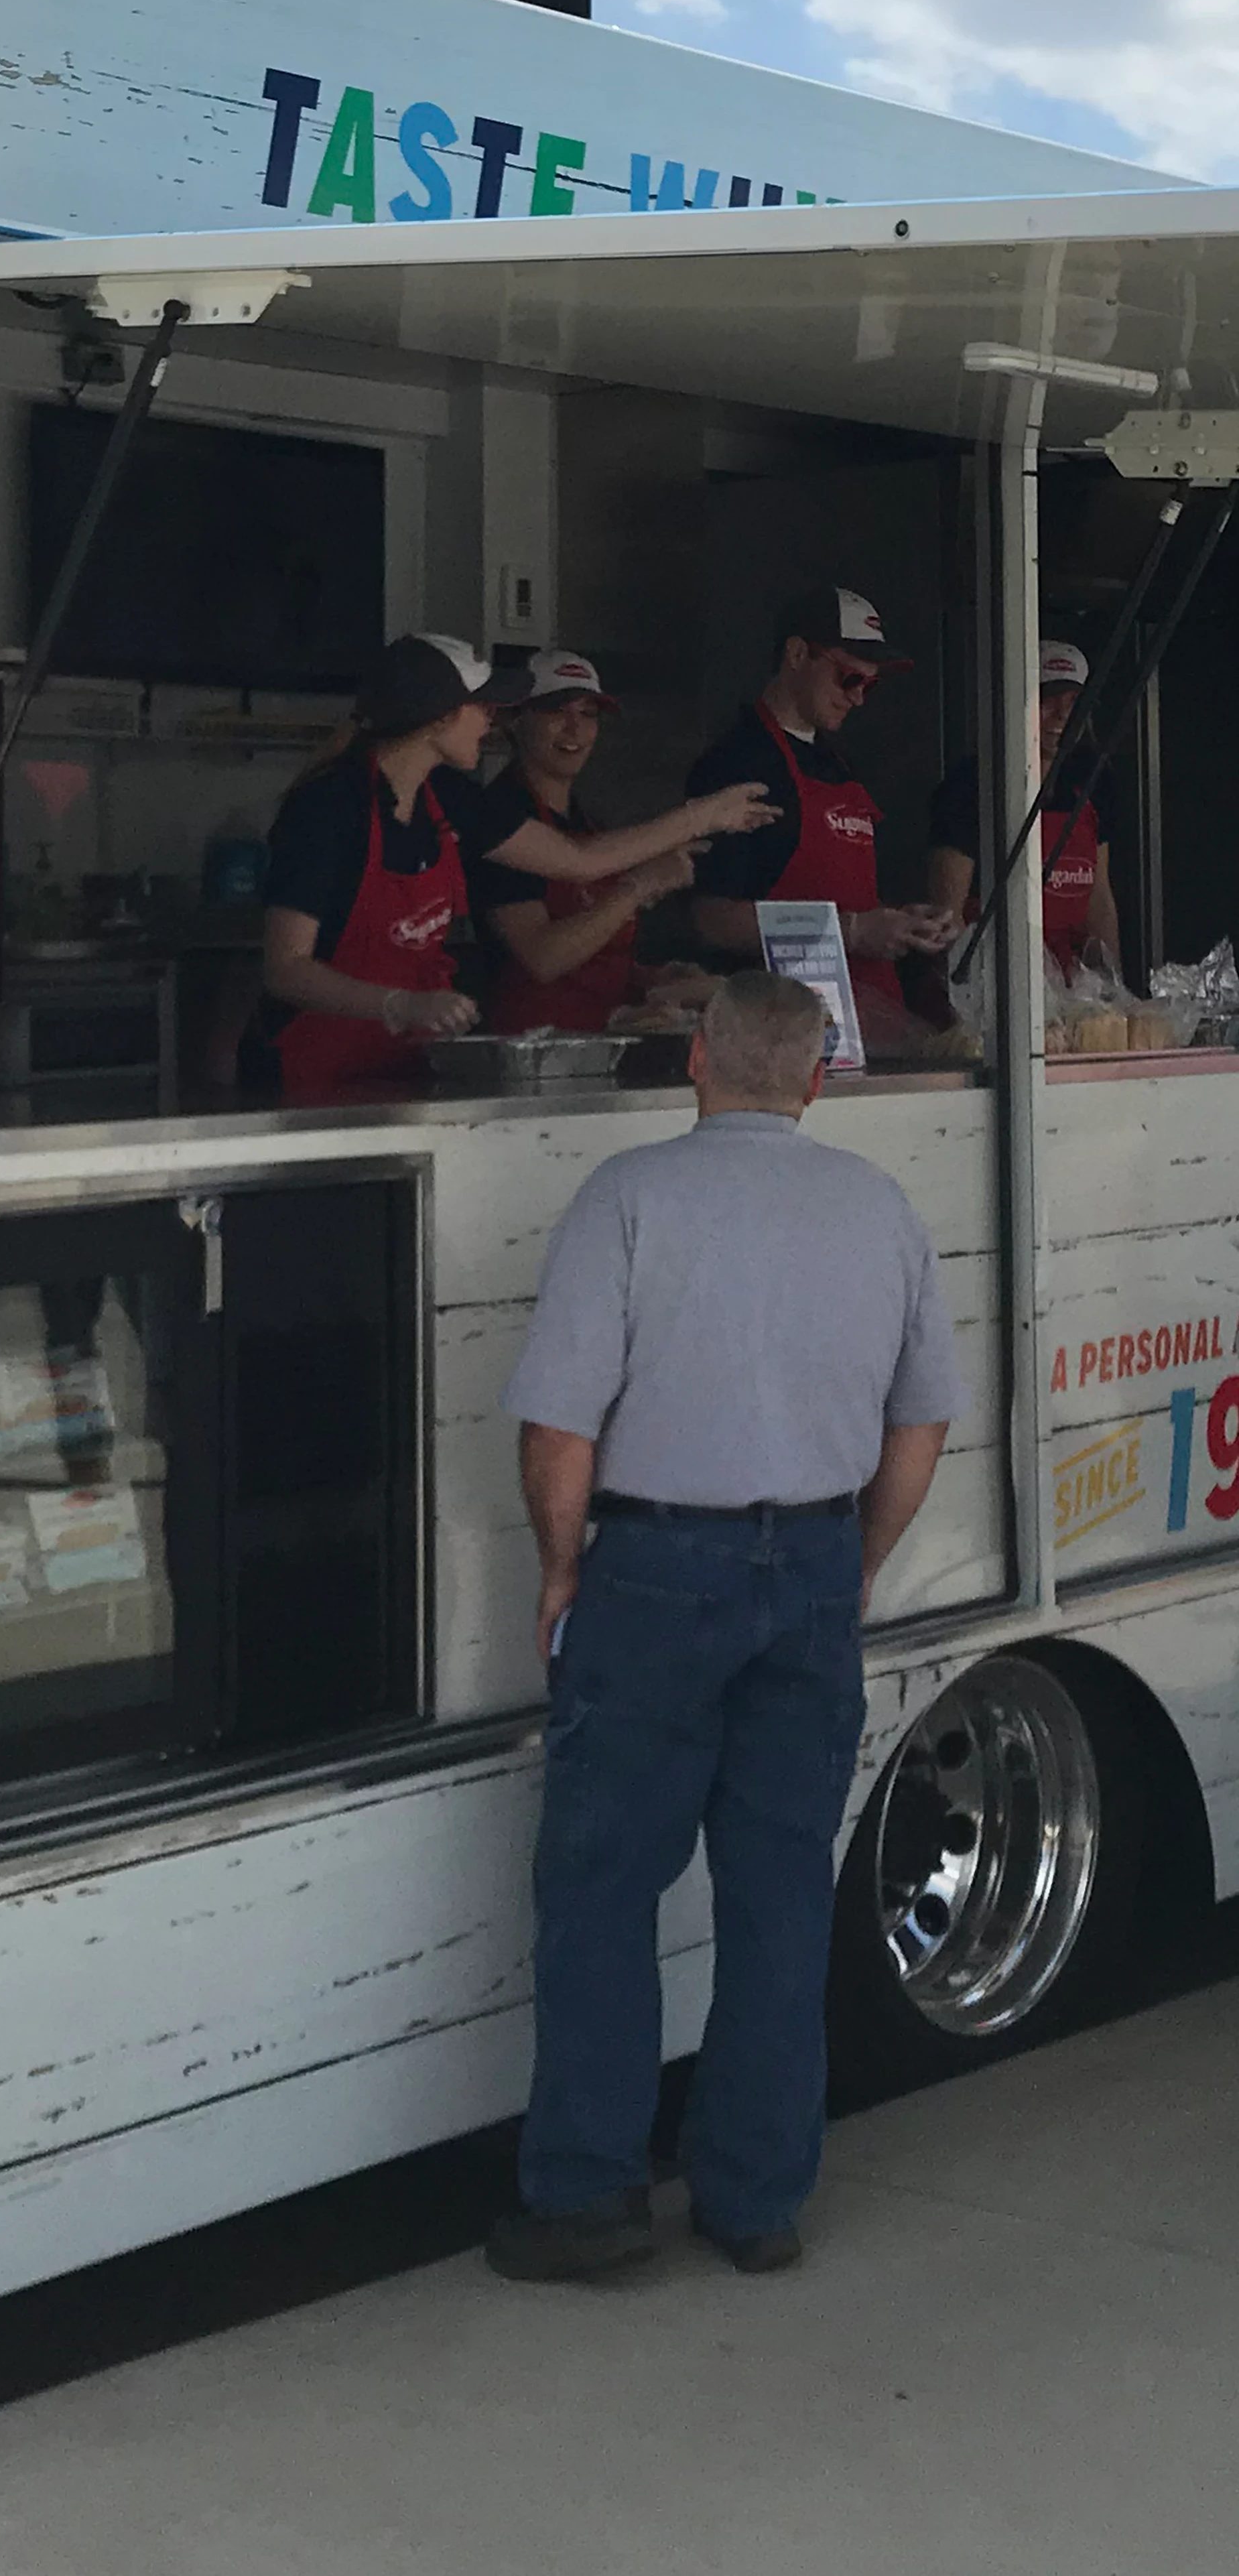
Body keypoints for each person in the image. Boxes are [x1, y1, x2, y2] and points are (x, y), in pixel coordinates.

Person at [484, 972, 962, 2284]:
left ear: (696, 1061)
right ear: (818, 1078)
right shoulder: (879, 1208)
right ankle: (755, 2202)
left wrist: (561, 1569)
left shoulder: (628, 1198)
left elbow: (560, 1428)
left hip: (654, 1571)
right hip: (811, 1567)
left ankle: (589, 2196)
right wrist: (857, 1559)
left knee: (602, 1887)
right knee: (780, 1894)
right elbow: (921, 1424)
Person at [261, 636, 776, 1099]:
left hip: (401, 1068)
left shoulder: (450, 797)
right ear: (440, 716)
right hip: (308, 1075)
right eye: (483, 706)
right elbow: (286, 968)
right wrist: (397, 1005)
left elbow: (578, 861)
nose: (492, 720)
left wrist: (704, 816)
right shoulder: (327, 807)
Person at [686, 585, 958, 1031]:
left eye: (870, 685)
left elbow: (851, 899)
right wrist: (852, 931)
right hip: (778, 1028)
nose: (859, 698)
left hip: (868, 1020)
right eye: (849, 678)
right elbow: (711, 921)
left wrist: (902, 923)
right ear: (797, 654)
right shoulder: (735, 764)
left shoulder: (841, 765)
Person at [466, 649, 717, 1036]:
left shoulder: (589, 823)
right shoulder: (502, 821)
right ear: (516, 719)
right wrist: (639, 886)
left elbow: (594, 960)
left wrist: (653, 979)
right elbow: (543, 957)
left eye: (588, 714)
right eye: (557, 711)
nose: (575, 729)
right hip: (530, 1048)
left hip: (596, 1043)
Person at [924, 639, 1120, 978]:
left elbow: (1099, 897)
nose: (1062, 715)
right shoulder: (972, 785)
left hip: (1072, 984)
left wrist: (1113, 987)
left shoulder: (1092, 779)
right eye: (1047, 700)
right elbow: (947, 914)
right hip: (997, 978)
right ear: (1016, 703)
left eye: (1074, 703)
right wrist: (973, 991)